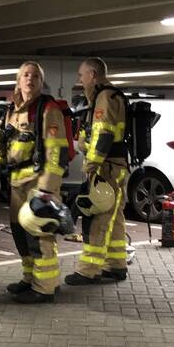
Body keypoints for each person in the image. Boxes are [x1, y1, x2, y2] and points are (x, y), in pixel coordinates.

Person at [0, 61, 69, 304]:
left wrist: (46, 189)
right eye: (26, 74)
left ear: (40, 81)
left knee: (39, 235)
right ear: (18, 79)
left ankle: (45, 287)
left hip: (38, 182)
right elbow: (2, 144)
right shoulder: (11, 110)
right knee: (19, 233)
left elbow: (57, 152)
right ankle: (29, 278)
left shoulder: (47, 109)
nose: (30, 79)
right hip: (15, 182)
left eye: (35, 75)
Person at [65, 57, 130, 285]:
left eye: (82, 75)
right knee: (114, 218)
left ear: (92, 74)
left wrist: (90, 166)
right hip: (116, 167)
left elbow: (103, 135)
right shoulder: (107, 96)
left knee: (98, 219)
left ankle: (87, 271)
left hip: (107, 168)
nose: (80, 80)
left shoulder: (105, 97)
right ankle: (116, 266)